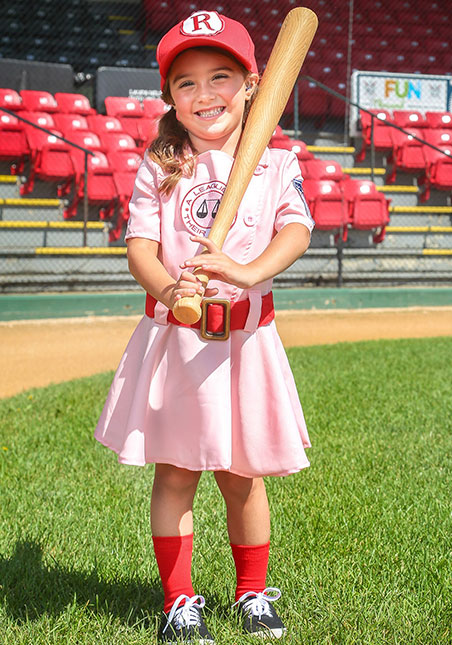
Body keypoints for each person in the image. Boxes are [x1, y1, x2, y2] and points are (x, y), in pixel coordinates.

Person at [95, 9, 314, 644]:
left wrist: (246, 271)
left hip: (246, 341)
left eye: (221, 76)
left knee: (243, 478)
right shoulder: (159, 165)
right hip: (178, 340)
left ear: (252, 85)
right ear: (169, 97)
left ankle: (251, 594)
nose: (204, 94)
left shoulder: (276, 163)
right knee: (175, 473)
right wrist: (169, 286)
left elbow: (296, 231)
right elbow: (139, 248)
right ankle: (178, 602)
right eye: (186, 83)